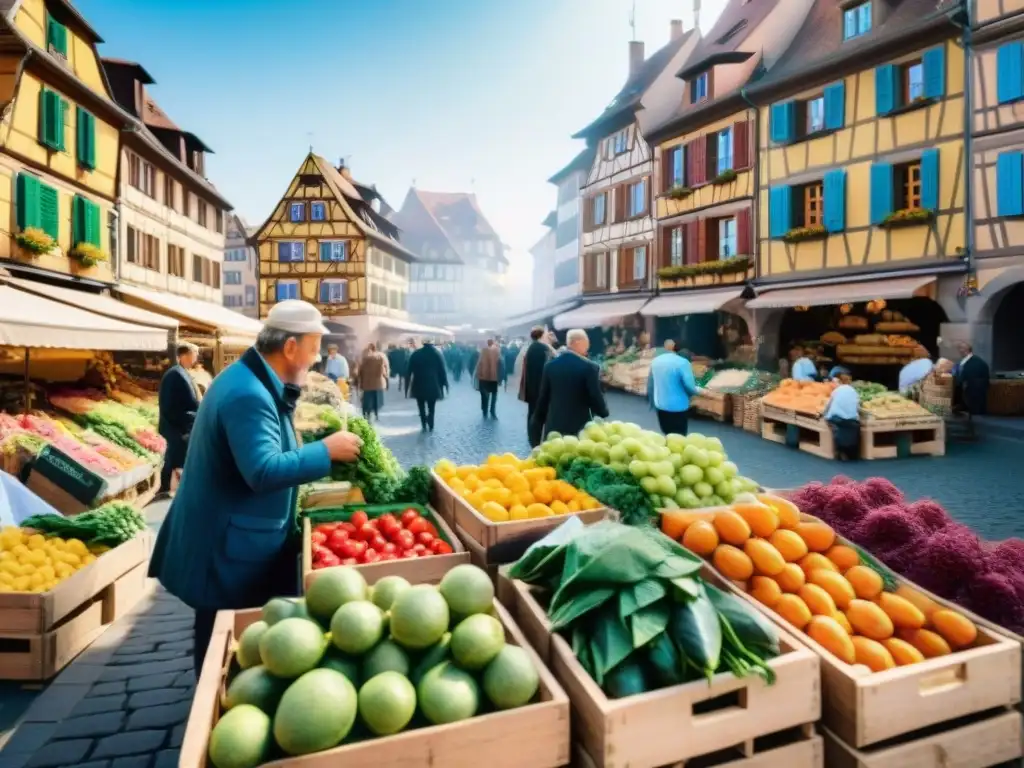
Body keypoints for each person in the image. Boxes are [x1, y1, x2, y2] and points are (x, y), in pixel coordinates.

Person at [149, 300, 363, 675]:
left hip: (227, 534)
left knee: (217, 632)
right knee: (220, 638)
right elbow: (261, 470)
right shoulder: (248, 393)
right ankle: (207, 718)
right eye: (313, 349)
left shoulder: (249, 380)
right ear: (290, 347)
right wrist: (325, 451)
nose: (315, 360)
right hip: (226, 545)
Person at [531, 328, 609, 439]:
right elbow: (595, 396)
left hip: (554, 426)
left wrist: (537, 422)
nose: (588, 347)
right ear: (577, 342)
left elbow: (543, 398)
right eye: (586, 343)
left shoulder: (550, 366)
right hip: (579, 428)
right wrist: (603, 412)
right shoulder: (590, 367)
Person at [157, 343, 201, 497]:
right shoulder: (175, 374)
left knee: (176, 461)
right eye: (194, 354)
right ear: (185, 355)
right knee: (172, 462)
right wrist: (188, 423)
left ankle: (170, 491)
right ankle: (165, 492)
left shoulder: (182, 372)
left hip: (181, 428)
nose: (196, 357)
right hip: (175, 429)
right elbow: (170, 406)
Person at [649, 339, 705, 435]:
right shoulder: (683, 363)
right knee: (679, 437)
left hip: (661, 405)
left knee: (667, 433)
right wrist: (701, 392)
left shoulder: (656, 361)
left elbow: (652, 383)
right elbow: (690, 386)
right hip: (678, 407)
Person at [519, 327, 554, 447]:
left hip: (531, 387)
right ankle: (535, 439)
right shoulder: (543, 348)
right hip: (539, 387)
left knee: (532, 412)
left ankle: (531, 436)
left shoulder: (531, 347)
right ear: (541, 336)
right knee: (538, 415)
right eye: (545, 335)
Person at [406, 338, 448, 432]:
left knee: (421, 406)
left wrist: (406, 386)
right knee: (431, 406)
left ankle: (423, 423)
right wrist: (445, 384)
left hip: (418, 384)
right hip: (433, 385)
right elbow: (442, 371)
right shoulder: (437, 354)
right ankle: (431, 422)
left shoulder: (416, 354)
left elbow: (409, 371)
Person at [823, 367, 860, 460]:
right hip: (851, 421)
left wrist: (823, 414)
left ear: (839, 381)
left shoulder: (836, 391)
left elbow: (828, 405)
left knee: (833, 424)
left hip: (837, 419)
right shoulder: (854, 391)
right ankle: (851, 452)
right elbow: (857, 406)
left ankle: (838, 450)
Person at [954, 341, 990, 415]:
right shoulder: (964, 362)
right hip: (968, 397)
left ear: (966, 350)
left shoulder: (977, 362)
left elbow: (970, 379)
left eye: (960, 348)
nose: (959, 350)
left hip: (973, 398)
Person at [357, 343, 389, 420]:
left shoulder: (363, 358)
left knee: (367, 400)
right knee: (376, 399)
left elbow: (359, 371)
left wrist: (359, 382)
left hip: (367, 384)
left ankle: (366, 414)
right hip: (378, 383)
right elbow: (384, 370)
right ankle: (376, 414)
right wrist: (387, 381)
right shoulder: (380, 356)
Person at [476, 339, 502, 418]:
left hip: (483, 377)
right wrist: (500, 378)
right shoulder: (497, 351)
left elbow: (479, 364)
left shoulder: (483, 351)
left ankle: (484, 410)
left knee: (484, 395)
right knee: (494, 394)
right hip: (494, 377)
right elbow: (500, 365)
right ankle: (492, 411)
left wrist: (478, 375)